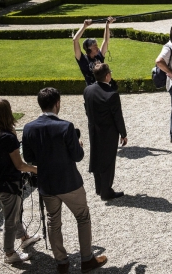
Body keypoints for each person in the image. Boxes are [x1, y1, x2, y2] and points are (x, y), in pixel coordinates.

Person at [22, 88, 107, 274]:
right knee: (82, 217)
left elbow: (29, 157)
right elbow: (78, 156)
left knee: (53, 222)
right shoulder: (65, 126)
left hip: (46, 183)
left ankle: (61, 263)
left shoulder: (28, 128)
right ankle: (87, 260)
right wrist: (79, 145)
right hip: (69, 182)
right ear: (57, 103)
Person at [0, 99, 40, 265]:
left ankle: (23, 237)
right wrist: (37, 169)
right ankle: (9, 253)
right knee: (10, 219)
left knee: (14, 213)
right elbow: (20, 165)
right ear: (8, 113)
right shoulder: (8, 137)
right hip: (8, 184)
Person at [83, 63, 128, 200]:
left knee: (96, 158)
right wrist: (123, 134)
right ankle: (106, 191)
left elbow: (87, 110)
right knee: (108, 161)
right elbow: (117, 116)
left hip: (93, 129)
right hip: (108, 132)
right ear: (107, 75)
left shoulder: (88, 90)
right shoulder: (111, 94)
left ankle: (99, 188)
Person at [73, 17, 116, 86]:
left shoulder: (99, 55)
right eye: (95, 46)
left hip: (104, 87)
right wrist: (84, 26)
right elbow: (75, 40)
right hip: (92, 89)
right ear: (89, 49)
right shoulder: (82, 59)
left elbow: (106, 40)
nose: (98, 48)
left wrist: (107, 25)